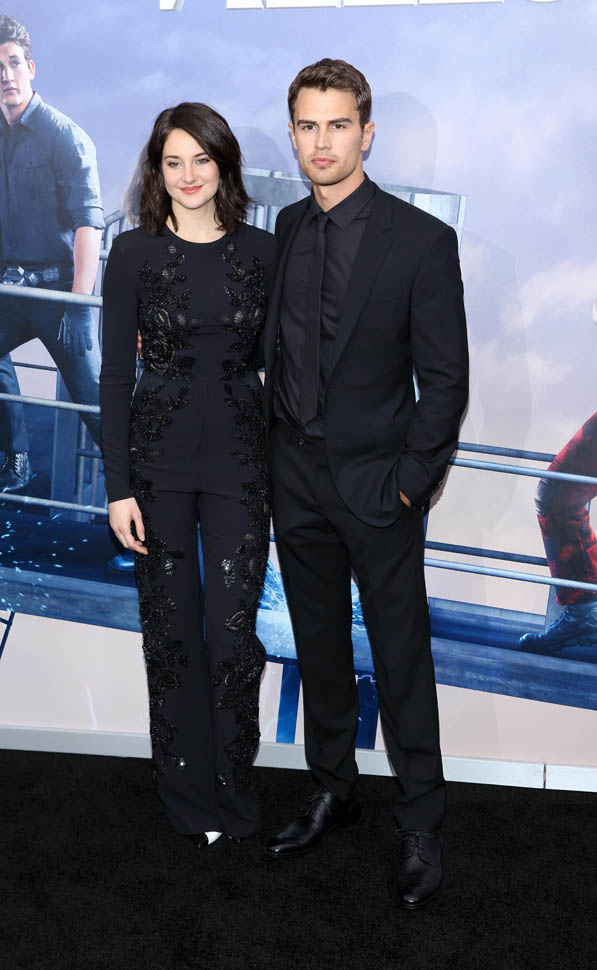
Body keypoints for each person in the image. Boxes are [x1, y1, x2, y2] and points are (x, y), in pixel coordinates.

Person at [263, 60, 468, 909]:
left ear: (366, 133)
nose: (322, 142)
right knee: (317, 647)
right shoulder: (283, 227)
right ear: (293, 134)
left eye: (337, 125)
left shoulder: (419, 240)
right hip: (294, 477)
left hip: (379, 486)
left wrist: (411, 484)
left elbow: (444, 381)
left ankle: (419, 823)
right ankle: (332, 788)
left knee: (400, 656)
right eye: (308, 126)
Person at [100, 102, 275, 846]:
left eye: (201, 159)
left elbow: (280, 364)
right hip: (157, 463)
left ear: (223, 164)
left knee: (232, 638)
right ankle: (183, 790)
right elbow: (115, 375)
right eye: (173, 162)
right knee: (170, 633)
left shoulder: (264, 252)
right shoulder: (132, 253)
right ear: (157, 171)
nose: (188, 175)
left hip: (240, 460)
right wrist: (117, 488)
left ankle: (234, 786)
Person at [0, 14, 104, 493]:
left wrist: (80, 307)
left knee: (95, 403)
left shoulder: (65, 135)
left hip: (61, 296)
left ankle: (148, 505)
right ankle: (17, 458)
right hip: (11, 289)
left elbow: (88, 223)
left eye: (13, 63)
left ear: (31, 68)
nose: (6, 75)